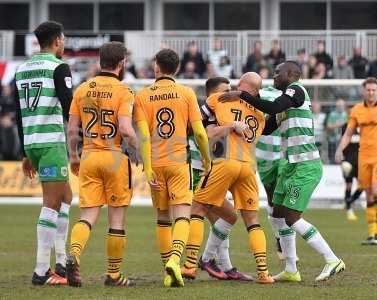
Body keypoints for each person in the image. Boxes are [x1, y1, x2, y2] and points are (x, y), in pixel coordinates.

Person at [219, 61, 345, 282]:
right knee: (276, 214)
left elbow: (273, 107)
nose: (274, 77)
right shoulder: (285, 107)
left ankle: (332, 259)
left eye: (278, 73)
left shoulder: (296, 90)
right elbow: (264, 128)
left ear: (291, 74)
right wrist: (237, 123)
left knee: (292, 217)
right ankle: (291, 268)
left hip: (306, 166)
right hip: (290, 166)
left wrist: (241, 95)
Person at [183, 72, 275, 284]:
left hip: (224, 162)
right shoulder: (261, 114)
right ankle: (263, 273)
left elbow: (195, 122)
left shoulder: (219, 99)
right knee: (251, 221)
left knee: (197, 209)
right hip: (248, 167)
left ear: (241, 84)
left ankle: (190, 265)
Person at [134, 48, 211, 288]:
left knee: (162, 218)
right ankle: (176, 261)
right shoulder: (186, 93)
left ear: (156, 67)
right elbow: (199, 131)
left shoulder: (142, 96)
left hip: (156, 164)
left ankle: (168, 270)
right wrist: (207, 160)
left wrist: (147, 168)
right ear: (177, 69)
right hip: (179, 163)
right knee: (182, 215)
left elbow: (144, 136)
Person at [66, 41, 138, 287]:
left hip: (88, 156)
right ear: (122, 64)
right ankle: (114, 275)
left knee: (87, 216)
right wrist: (141, 150)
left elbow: (72, 129)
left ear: (99, 62)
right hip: (114, 157)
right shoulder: (124, 91)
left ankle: (74, 253)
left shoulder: (82, 89)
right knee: (116, 219)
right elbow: (126, 129)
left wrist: (73, 157)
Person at [14, 21, 73, 286]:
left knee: (66, 197)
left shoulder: (22, 69)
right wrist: (78, 147)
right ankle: (41, 270)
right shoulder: (58, 67)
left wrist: (24, 152)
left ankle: (61, 260)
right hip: (51, 143)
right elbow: (70, 108)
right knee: (51, 203)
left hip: (33, 142)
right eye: (64, 39)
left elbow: (18, 114)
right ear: (58, 40)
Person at [335, 77, 377, 245]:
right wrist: (339, 149)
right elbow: (348, 134)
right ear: (364, 91)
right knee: (369, 194)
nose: (371, 92)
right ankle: (372, 234)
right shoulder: (357, 110)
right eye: (368, 90)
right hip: (363, 156)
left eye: (373, 90)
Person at [256, 86, 289, 260]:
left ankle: (286, 246)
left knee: (283, 198)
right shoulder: (255, 98)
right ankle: (278, 236)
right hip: (263, 158)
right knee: (272, 199)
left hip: (282, 154)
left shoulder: (287, 97)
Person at [340, 124, 363, 221]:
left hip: (361, 161)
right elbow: (344, 141)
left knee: (362, 186)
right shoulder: (346, 126)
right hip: (348, 161)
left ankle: (349, 202)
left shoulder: (364, 125)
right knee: (348, 185)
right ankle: (349, 210)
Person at [326, 99, 348, 164]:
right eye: (339, 105)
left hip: (343, 140)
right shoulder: (332, 114)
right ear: (336, 106)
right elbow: (328, 126)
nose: (340, 107)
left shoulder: (346, 115)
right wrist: (338, 125)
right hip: (333, 139)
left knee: (342, 158)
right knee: (332, 158)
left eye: (342, 105)